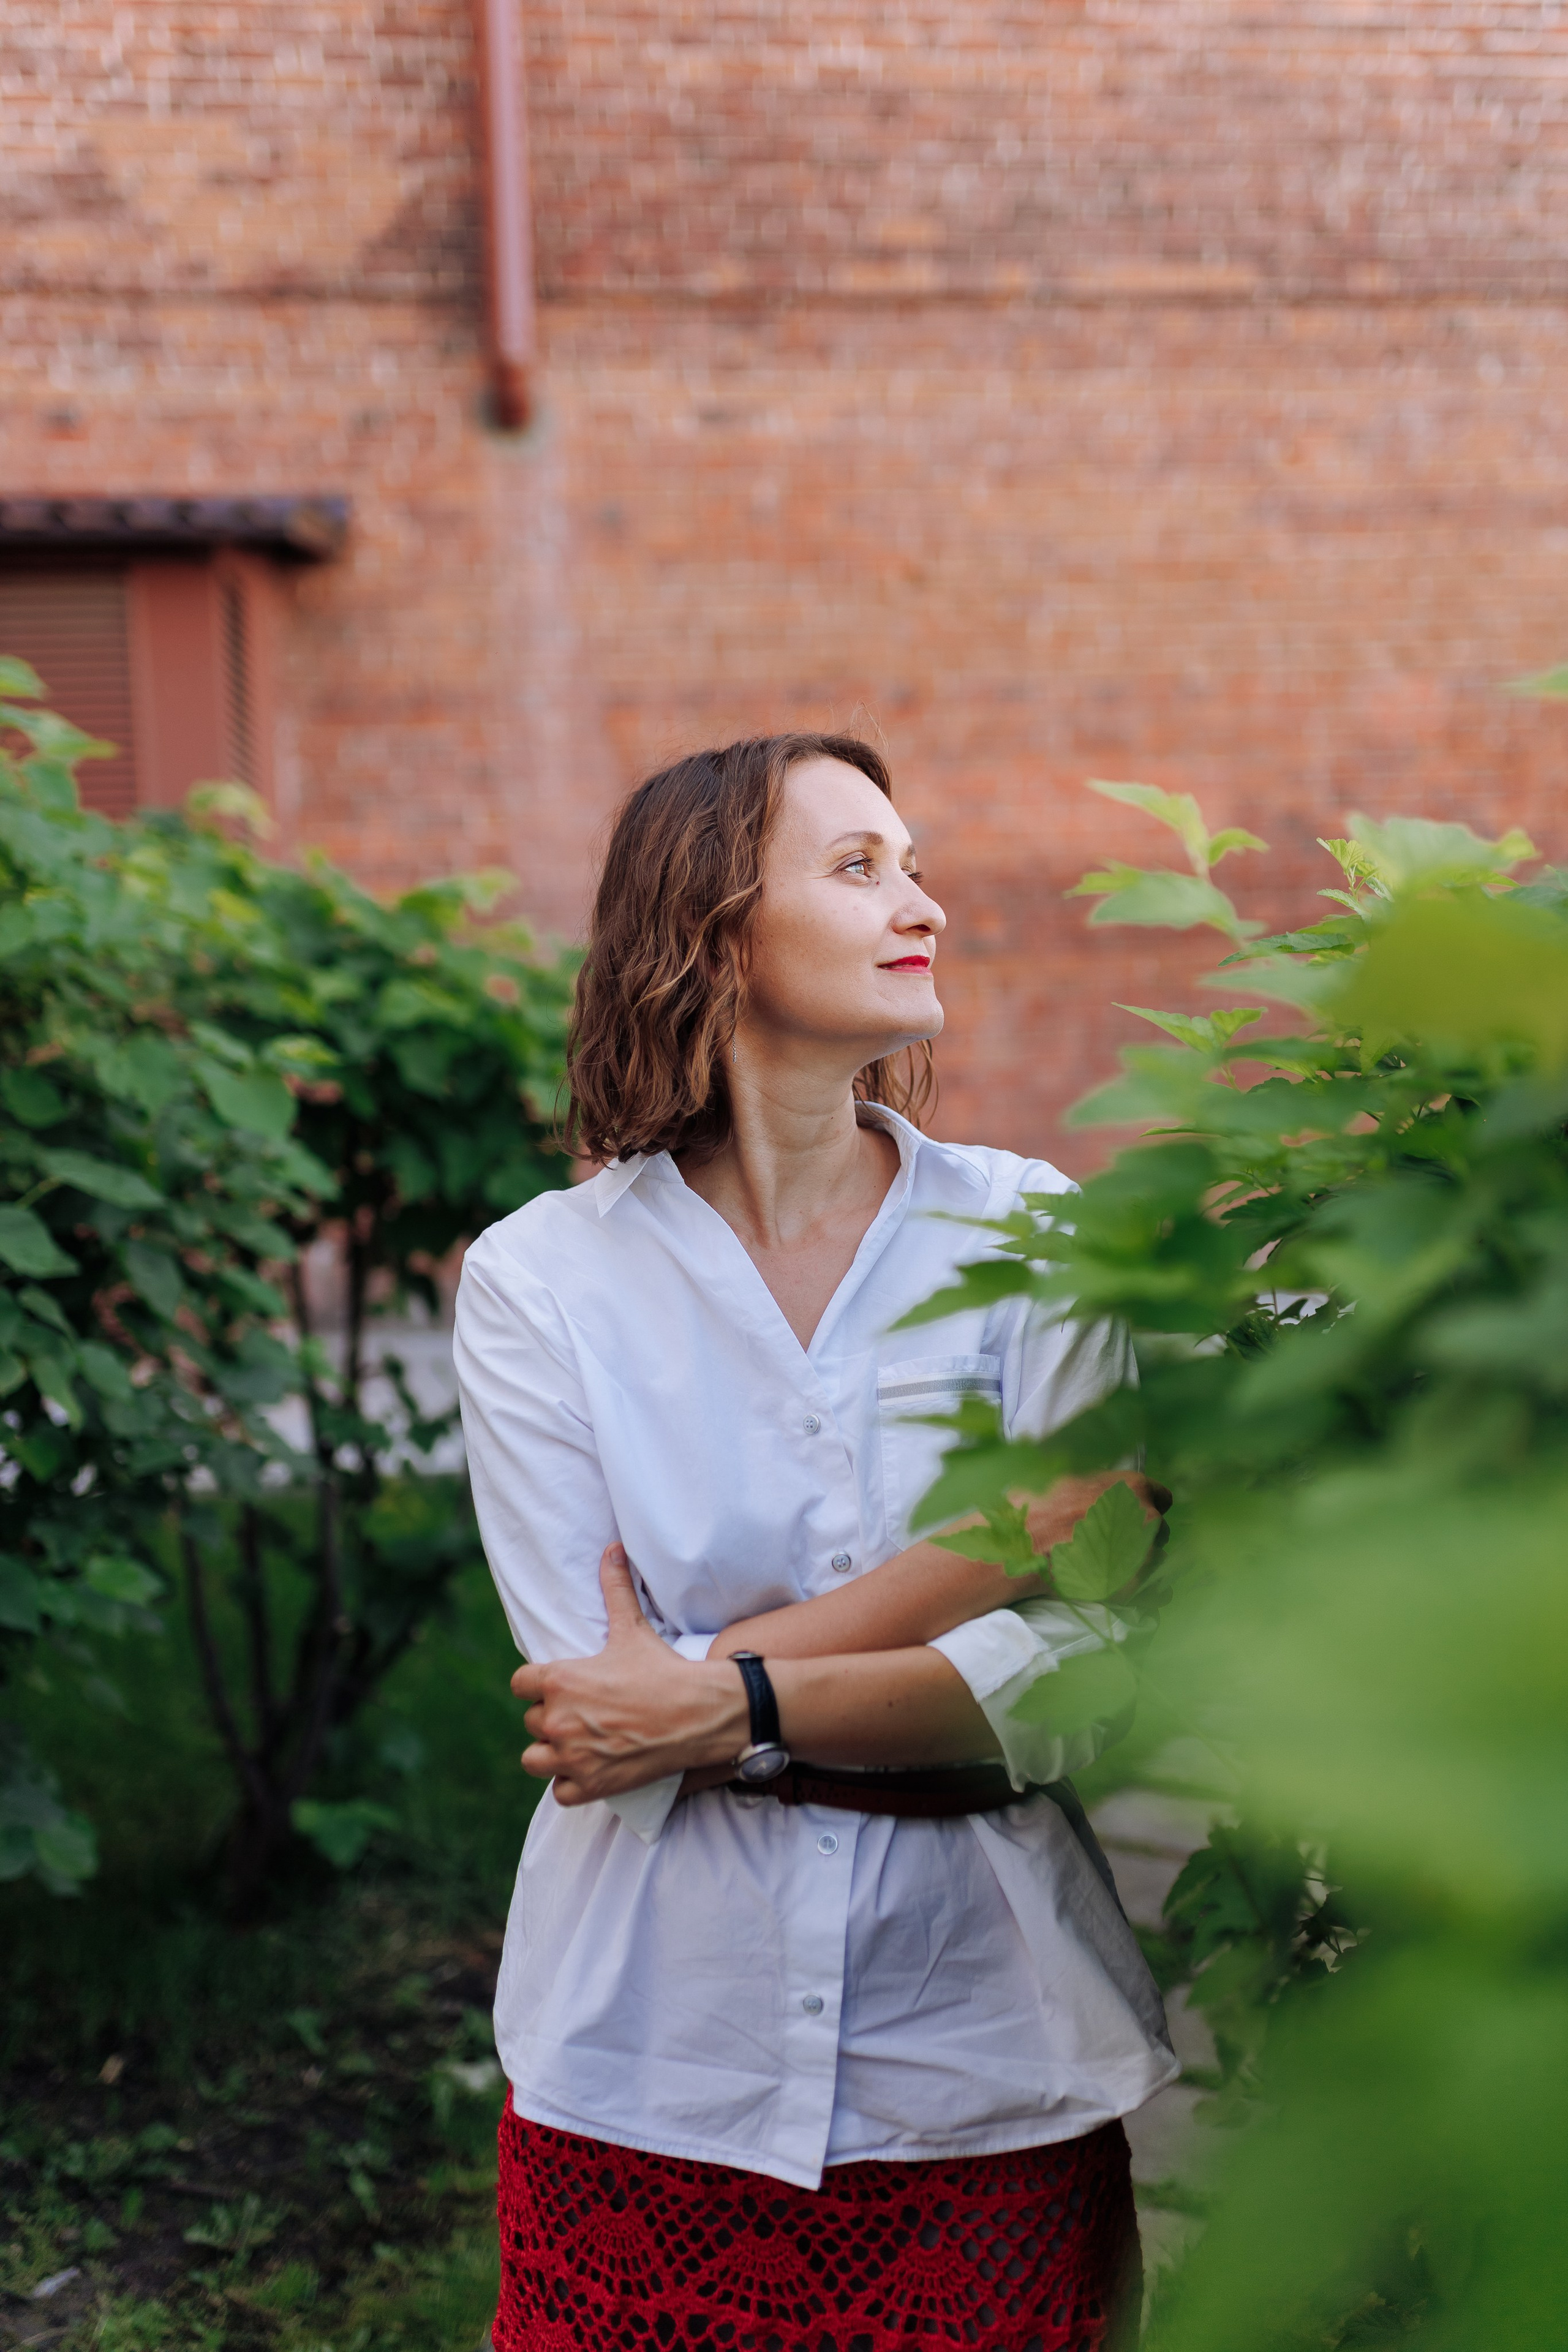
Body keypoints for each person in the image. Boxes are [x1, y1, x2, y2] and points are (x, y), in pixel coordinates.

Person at [453, 733, 1177, 2352]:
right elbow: (590, 1697)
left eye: (913, 867)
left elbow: (1082, 1673)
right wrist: (996, 1545)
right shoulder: (541, 1282)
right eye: (859, 869)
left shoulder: (1034, 1236)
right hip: (651, 2052)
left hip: (981, 2052)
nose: (923, 906)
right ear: (713, 932)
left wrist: (713, 1706)